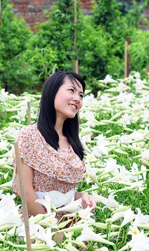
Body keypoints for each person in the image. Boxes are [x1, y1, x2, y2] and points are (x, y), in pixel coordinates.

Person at [12, 71, 96, 219]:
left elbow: (63, 192)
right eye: (71, 90)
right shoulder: (30, 135)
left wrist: (81, 196)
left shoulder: (72, 142)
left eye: (81, 95)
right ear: (52, 92)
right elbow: (24, 191)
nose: (77, 98)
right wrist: (53, 231)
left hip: (72, 225)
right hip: (41, 228)